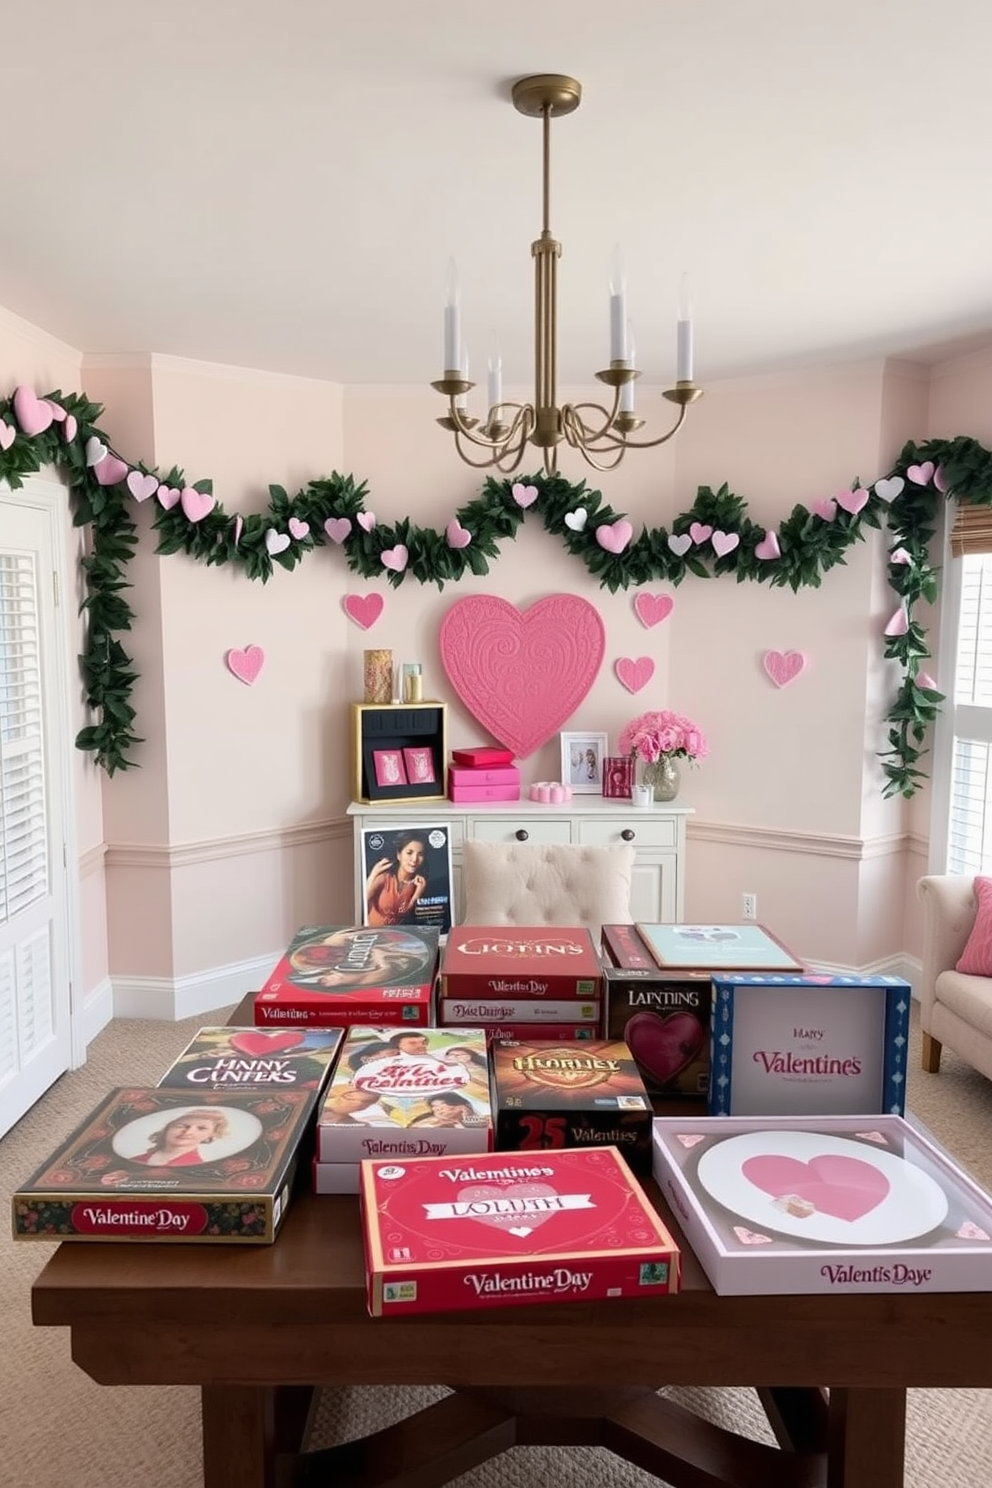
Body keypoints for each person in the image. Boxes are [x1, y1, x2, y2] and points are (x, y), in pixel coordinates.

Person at [365, 832, 429, 926]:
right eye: (409, 853)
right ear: (399, 855)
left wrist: (418, 893)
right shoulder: (384, 878)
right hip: (371, 933)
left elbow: (406, 913)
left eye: (420, 854)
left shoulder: (417, 885)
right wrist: (373, 875)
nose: (414, 859)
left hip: (395, 936)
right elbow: (362, 901)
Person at [132, 1109, 231, 1167]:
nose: (188, 1132)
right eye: (182, 1125)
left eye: (201, 1128)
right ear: (168, 1128)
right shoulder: (135, 1159)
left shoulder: (195, 1166)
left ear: (210, 1135)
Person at [408, 1092, 476, 1128]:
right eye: (434, 1106)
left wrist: (467, 1113)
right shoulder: (429, 1121)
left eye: (443, 1104)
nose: (438, 1109)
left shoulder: (479, 1122)